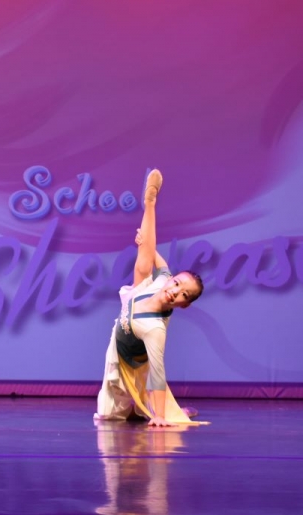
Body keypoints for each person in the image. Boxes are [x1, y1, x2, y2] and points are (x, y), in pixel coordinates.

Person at [95, 169, 204, 426]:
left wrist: (160, 416)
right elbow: (162, 266)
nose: (175, 291)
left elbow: (157, 372)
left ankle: (171, 411)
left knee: (110, 417)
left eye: (183, 295)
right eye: (177, 283)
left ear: (184, 305)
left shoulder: (155, 329)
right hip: (123, 331)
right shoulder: (163, 280)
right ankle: (150, 202)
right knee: (144, 264)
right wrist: (145, 243)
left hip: (132, 365)